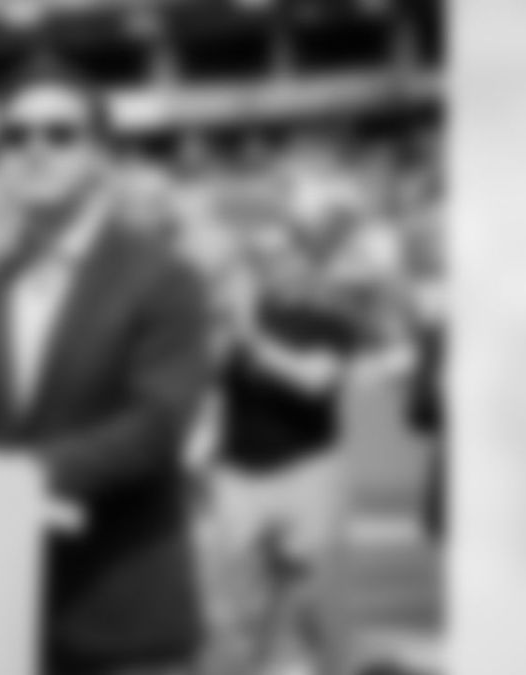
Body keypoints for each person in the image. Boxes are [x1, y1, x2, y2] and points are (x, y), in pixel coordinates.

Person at [0, 61, 214, 675]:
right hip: (3, 622)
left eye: (60, 134)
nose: (35, 149)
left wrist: (20, 477)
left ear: (101, 157)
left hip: (126, 628)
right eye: (15, 135)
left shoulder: (162, 277)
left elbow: (158, 425)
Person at [209, 177, 368, 675]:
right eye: (267, 259)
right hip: (237, 472)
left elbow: (315, 381)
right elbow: (205, 376)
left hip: (309, 469)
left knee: (316, 604)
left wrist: (250, 337)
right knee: (238, 612)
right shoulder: (230, 321)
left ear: (308, 264)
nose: (278, 267)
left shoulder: (332, 321)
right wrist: (229, 320)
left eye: (288, 258)